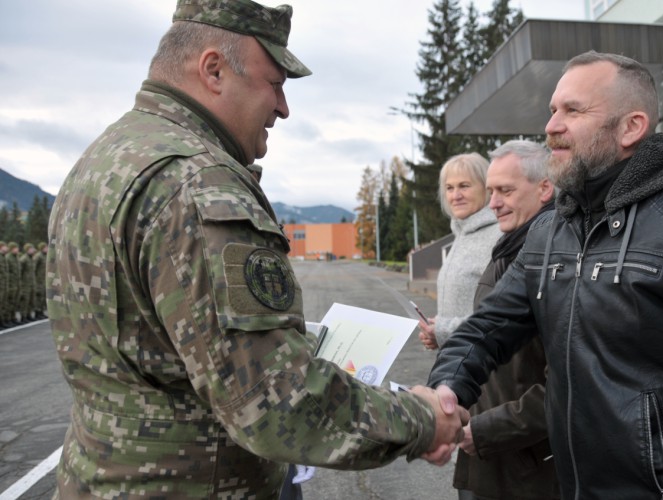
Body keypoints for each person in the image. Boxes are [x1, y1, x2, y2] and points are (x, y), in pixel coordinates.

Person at [46, 1, 467, 498]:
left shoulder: (103, 160)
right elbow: (274, 400)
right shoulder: (199, 184)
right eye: (275, 84)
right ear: (214, 70)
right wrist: (420, 419)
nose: (284, 108)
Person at [427, 50, 663, 499]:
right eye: (553, 111)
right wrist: (445, 392)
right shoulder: (549, 231)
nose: (551, 126)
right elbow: (485, 330)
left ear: (631, 127)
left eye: (573, 110)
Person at [454, 140, 559, 500]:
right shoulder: (508, 250)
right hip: (492, 461)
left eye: (506, 191)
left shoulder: (555, 264)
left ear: (545, 188)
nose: (493, 202)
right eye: (491, 191)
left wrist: (484, 430)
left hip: (529, 474)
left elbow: (566, 386)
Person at [417, 152, 501, 350]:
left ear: (487, 188)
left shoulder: (499, 236)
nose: (456, 196)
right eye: (449, 188)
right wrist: (437, 333)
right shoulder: (461, 234)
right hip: (458, 361)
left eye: (464, 186)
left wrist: (444, 330)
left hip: (483, 370)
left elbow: (501, 313)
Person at [5, 242, 20, 324]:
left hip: (16, 283)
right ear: (11, 249)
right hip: (10, 284)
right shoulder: (8, 258)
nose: (17, 249)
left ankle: (12, 318)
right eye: (15, 248)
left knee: (14, 302)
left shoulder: (16, 257)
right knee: (9, 302)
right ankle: (7, 319)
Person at [32, 242, 47, 320]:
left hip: (43, 280)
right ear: (41, 248)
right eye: (45, 247)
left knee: (42, 296)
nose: (46, 249)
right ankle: (37, 312)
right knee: (38, 296)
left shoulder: (44, 256)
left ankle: (41, 311)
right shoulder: (38, 256)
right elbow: (33, 268)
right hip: (38, 280)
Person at [0, 241, 8, 328]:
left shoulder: (3, 257)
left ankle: (3, 321)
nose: (6, 248)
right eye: (4, 246)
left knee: (3, 304)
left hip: (4, 284)